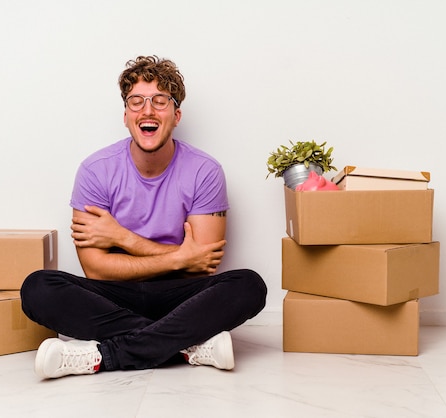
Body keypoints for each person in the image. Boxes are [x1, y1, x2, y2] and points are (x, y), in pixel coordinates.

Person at [21, 55, 267, 379]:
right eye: (136, 101)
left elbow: (202, 265)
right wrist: (179, 257)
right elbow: (95, 268)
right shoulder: (95, 170)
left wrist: (122, 238)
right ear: (125, 116)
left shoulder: (204, 171)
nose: (147, 110)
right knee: (38, 287)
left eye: (160, 101)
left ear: (176, 114)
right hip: (114, 293)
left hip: (178, 295)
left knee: (249, 285)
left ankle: (101, 356)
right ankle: (186, 345)